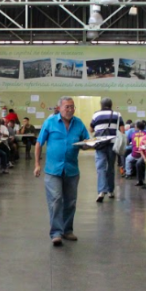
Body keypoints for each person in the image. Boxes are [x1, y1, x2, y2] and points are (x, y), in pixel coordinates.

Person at [34, 96, 90, 246]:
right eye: (67, 107)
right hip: (53, 170)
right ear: (59, 108)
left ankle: (67, 230)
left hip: (71, 169)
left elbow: (86, 141)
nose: (70, 109)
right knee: (56, 200)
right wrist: (37, 164)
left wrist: (87, 145)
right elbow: (39, 143)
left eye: (72, 107)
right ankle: (56, 233)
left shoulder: (78, 123)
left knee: (70, 202)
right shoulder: (50, 122)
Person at [89, 98, 123, 203]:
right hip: (113, 144)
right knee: (110, 167)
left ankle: (101, 191)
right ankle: (111, 191)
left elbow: (91, 129)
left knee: (100, 167)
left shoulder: (96, 115)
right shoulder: (117, 114)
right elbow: (122, 130)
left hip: (100, 144)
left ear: (101, 105)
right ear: (111, 104)